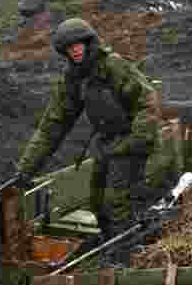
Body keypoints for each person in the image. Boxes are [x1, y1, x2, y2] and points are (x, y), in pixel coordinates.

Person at [15, 17, 166, 247]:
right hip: (107, 142)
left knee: (117, 201)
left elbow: (148, 102)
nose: (74, 50)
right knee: (97, 201)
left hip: (132, 140)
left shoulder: (113, 67)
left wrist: (135, 141)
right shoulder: (73, 80)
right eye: (69, 47)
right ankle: (112, 244)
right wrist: (26, 169)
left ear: (88, 43)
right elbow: (53, 125)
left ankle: (127, 251)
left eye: (78, 44)